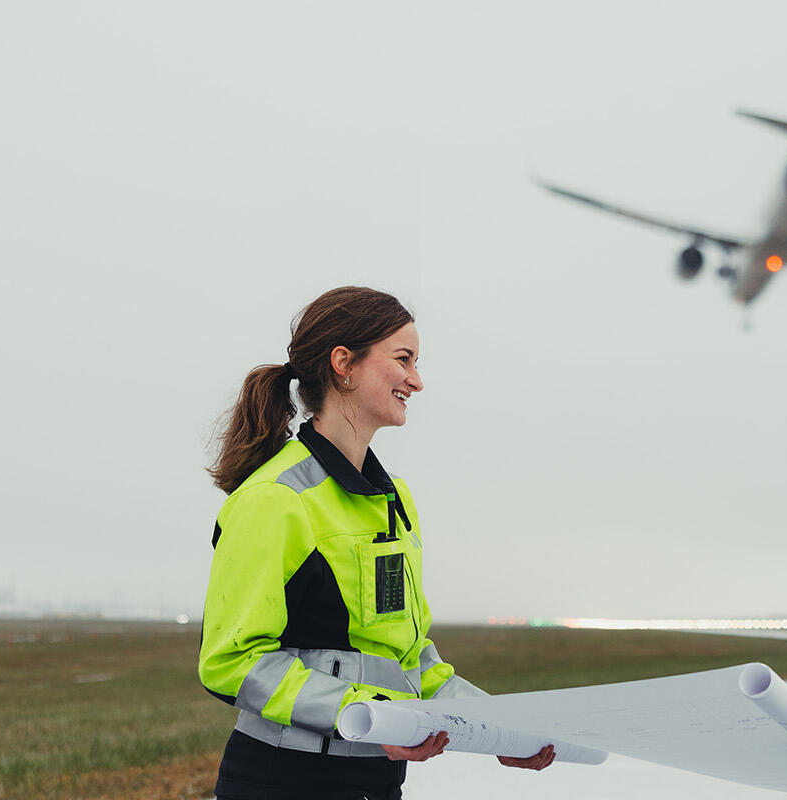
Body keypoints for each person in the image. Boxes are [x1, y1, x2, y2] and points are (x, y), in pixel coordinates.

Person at [200, 286, 553, 800]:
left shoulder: (394, 500)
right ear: (344, 364)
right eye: (403, 359)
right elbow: (231, 660)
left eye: (417, 363)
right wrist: (361, 712)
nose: (417, 380)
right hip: (283, 781)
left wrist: (499, 726)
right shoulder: (275, 498)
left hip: (377, 782)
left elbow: (411, 661)